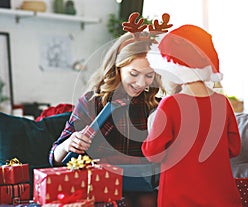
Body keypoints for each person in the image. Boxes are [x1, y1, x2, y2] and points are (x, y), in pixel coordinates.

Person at [49, 12, 172, 207]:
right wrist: (69, 144)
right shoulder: (91, 102)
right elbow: (55, 158)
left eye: (149, 75)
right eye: (134, 73)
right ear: (117, 67)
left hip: (143, 186)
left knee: (149, 200)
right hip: (101, 186)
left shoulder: (156, 105)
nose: (141, 83)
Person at [142, 24, 243, 207]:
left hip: (180, 199)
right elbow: (234, 149)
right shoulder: (223, 103)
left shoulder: (170, 105)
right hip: (223, 199)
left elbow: (153, 154)